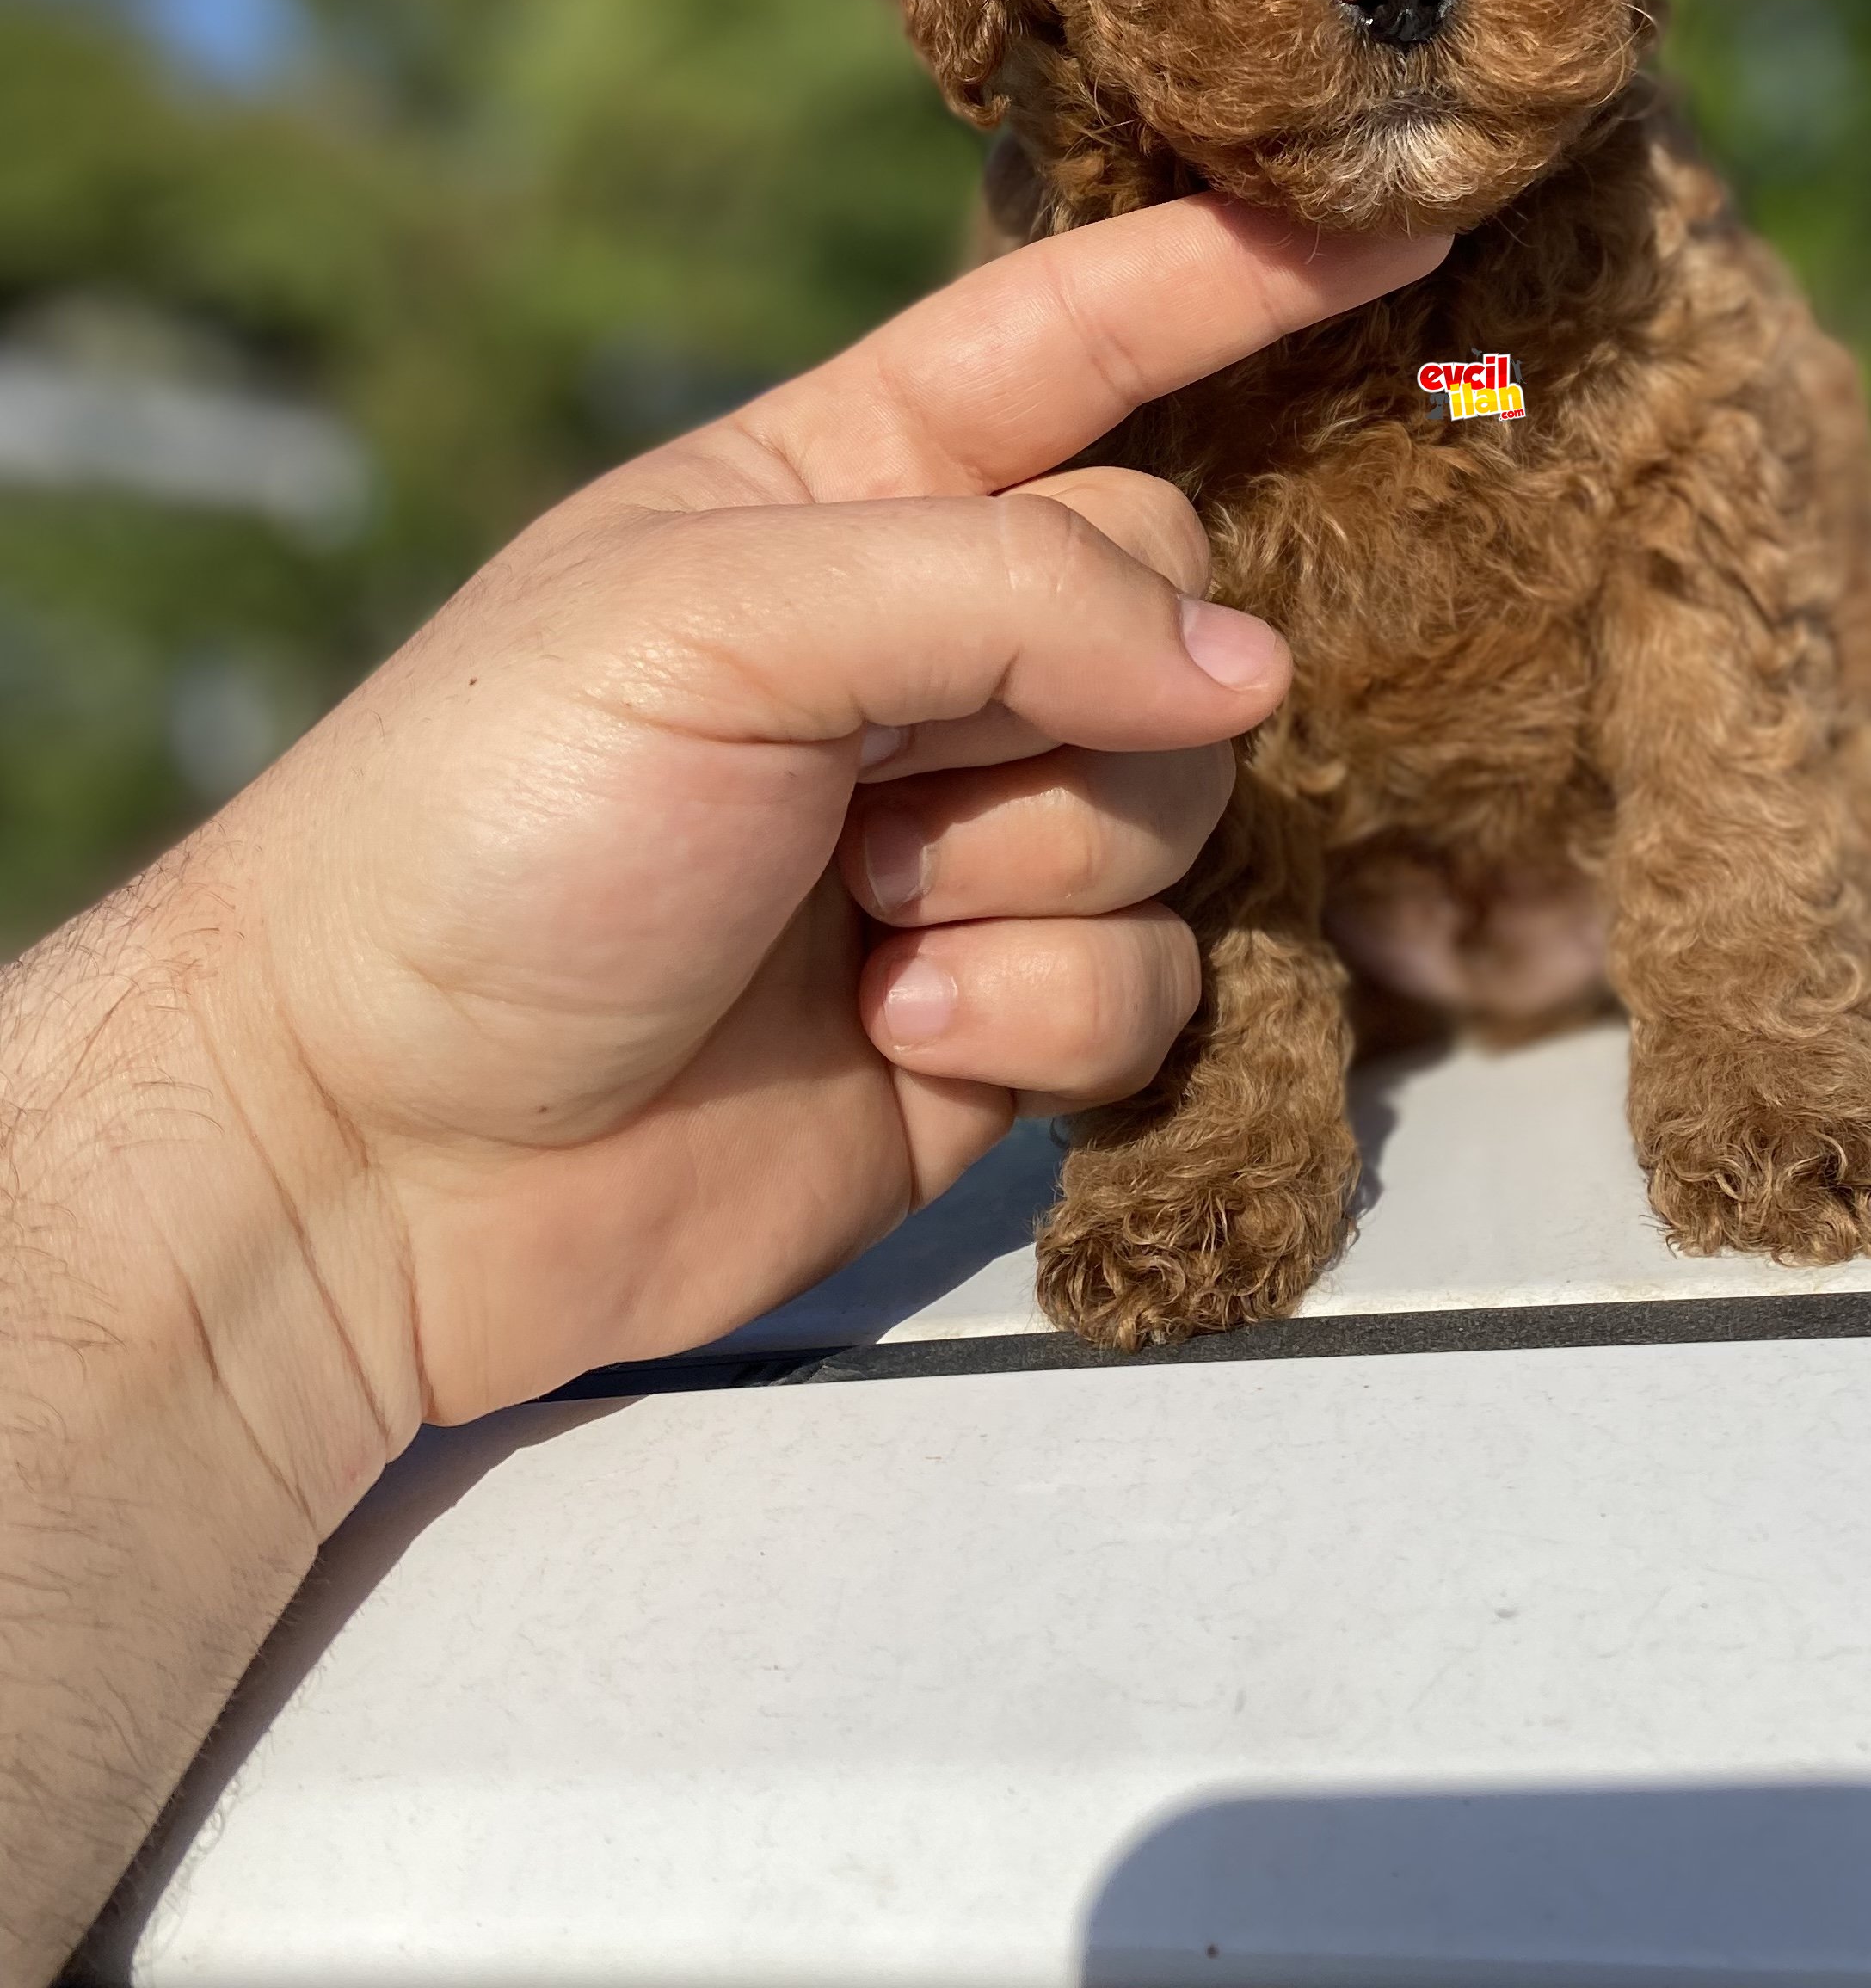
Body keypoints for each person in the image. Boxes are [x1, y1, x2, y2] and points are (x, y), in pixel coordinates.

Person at [0, 194, 1444, 1984]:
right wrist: (308, 1122)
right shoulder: (1087, 274)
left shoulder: (1482, 322)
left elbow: (1562, 395)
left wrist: (1469, 401)